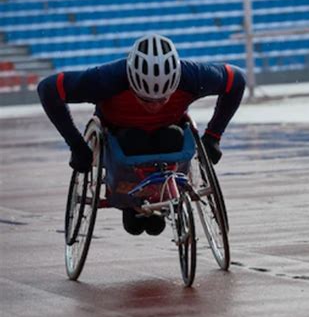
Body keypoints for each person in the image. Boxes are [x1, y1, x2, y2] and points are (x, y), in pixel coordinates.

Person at [37, 33, 246, 236]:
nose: (154, 105)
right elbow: (48, 89)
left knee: (173, 138)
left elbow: (236, 79)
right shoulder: (106, 79)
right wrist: (76, 145)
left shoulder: (191, 76)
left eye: (163, 98)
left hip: (168, 134)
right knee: (132, 140)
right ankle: (133, 205)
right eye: (146, 99)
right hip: (122, 136)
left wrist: (213, 136)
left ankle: (160, 197)